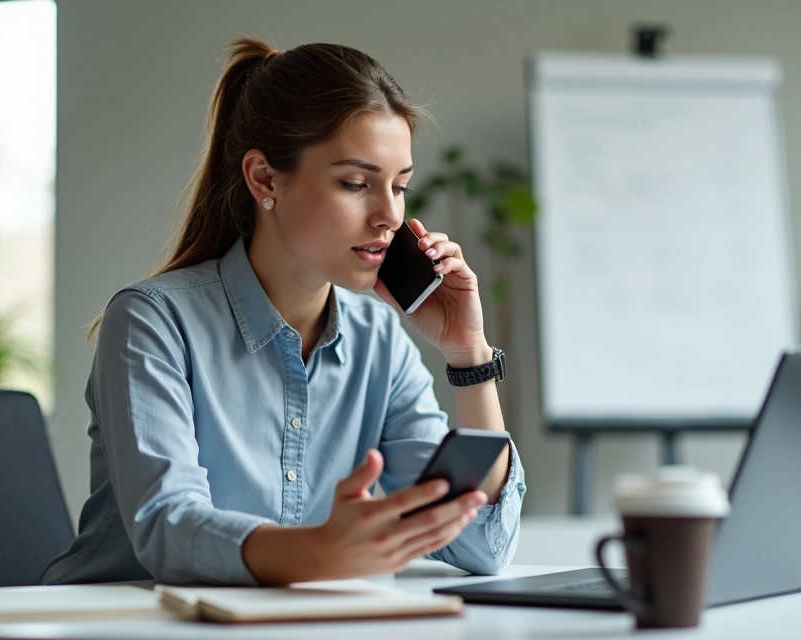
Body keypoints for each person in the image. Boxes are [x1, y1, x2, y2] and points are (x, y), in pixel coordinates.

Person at [40, 37, 525, 587]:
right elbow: (169, 531)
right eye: (355, 183)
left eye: (400, 186)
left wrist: (470, 356)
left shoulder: (380, 342)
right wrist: (319, 551)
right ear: (265, 179)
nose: (389, 215)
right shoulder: (152, 323)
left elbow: (481, 544)